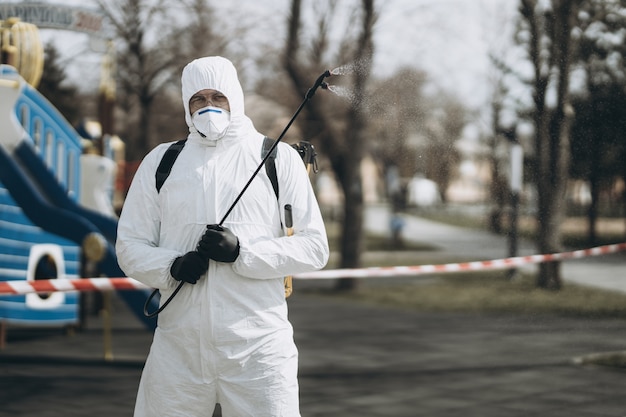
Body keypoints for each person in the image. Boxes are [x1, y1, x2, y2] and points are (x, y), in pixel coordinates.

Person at [116, 56, 329, 417]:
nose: (208, 106)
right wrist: (172, 266)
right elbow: (129, 246)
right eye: (198, 99)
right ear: (186, 104)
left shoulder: (276, 159)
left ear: (235, 97)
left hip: (259, 351)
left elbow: (314, 247)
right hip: (177, 353)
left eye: (218, 97)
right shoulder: (162, 162)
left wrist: (242, 253)